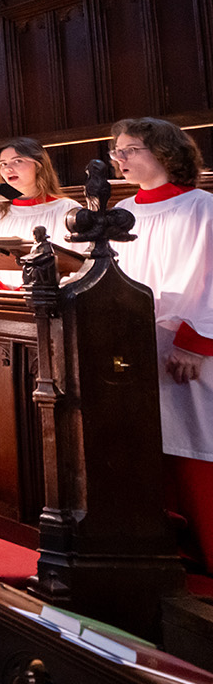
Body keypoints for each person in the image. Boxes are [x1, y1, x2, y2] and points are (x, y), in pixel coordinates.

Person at [109, 117, 213, 571]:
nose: (120, 158)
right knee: (145, 444)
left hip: (184, 347)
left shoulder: (199, 207)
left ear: (166, 153)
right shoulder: (124, 211)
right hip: (132, 342)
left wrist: (194, 341)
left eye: (130, 149)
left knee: (193, 441)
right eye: (118, 151)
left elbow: (207, 278)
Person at [0, 138, 79, 289]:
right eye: (3, 164)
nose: (8, 169)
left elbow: (79, 263)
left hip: (49, 298)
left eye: (17, 161)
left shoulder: (67, 210)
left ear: (39, 165)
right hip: (0, 299)